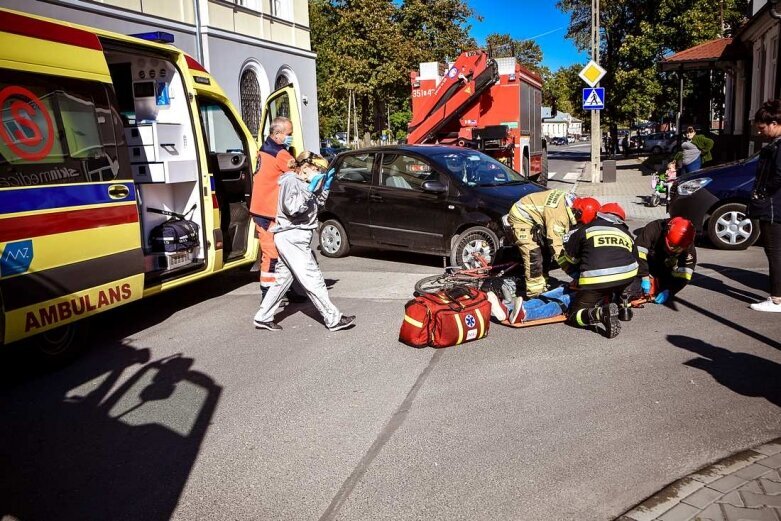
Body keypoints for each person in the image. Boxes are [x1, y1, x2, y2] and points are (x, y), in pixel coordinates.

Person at [253, 152, 356, 331]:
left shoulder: (305, 182)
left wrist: (324, 188)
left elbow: (317, 206)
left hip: (296, 237)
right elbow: (291, 208)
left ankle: (263, 317)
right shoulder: (290, 181)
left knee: (282, 280)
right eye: (317, 169)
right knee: (313, 279)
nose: (319, 173)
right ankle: (333, 319)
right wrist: (309, 191)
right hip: (292, 236)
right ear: (306, 168)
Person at [558, 202, 639, 338]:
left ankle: (600, 314)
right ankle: (624, 306)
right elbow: (636, 260)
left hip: (596, 281)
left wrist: (578, 275)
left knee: (573, 315)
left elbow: (570, 258)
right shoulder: (627, 234)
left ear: (599, 214)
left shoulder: (586, 229)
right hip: (626, 278)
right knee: (622, 278)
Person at [250, 116, 304, 302]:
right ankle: (268, 296)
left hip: (265, 210)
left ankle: (286, 289)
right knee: (272, 256)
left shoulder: (265, 149)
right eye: (289, 134)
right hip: (268, 213)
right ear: (278, 134)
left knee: (282, 253)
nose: (291, 137)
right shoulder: (280, 155)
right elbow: (299, 174)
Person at [506, 190, 600, 297]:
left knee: (546, 251)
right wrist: (573, 273)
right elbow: (557, 250)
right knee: (533, 255)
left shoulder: (575, 204)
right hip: (521, 217)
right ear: (578, 213)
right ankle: (535, 294)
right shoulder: (559, 217)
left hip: (538, 215)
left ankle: (543, 282)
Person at [748, 99, 781, 312]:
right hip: (775, 205)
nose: (760, 133)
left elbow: (779, 174)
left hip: (774, 207)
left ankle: (777, 299)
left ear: (775, 123)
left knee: (774, 251)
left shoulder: (779, 147)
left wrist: (763, 192)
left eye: (762, 128)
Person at [631, 217, 697, 304]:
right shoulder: (653, 228)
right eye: (672, 245)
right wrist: (644, 275)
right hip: (647, 261)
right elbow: (639, 251)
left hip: (665, 266)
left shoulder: (688, 246)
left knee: (667, 282)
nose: (673, 249)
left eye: (678, 248)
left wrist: (670, 291)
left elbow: (685, 274)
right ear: (666, 232)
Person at [486, 281, 571, 325]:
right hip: (579, 285)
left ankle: (525, 315)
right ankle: (508, 311)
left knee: (563, 301)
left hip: (583, 294)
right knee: (544, 297)